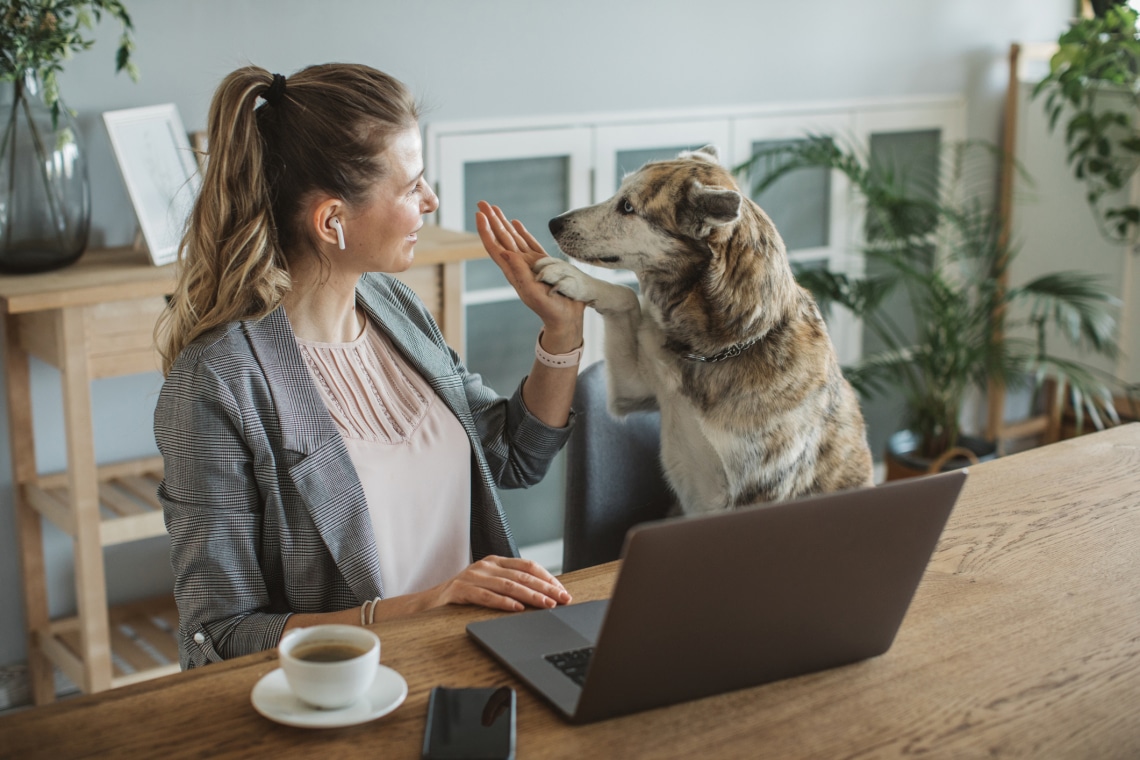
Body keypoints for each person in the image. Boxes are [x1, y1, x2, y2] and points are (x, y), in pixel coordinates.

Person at [154, 63, 585, 670]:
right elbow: (218, 636)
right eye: (412, 187)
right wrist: (423, 606)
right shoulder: (218, 380)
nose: (431, 201)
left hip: (474, 659)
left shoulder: (391, 305)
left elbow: (514, 455)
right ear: (333, 220)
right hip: (353, 690)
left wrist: (561, 332)